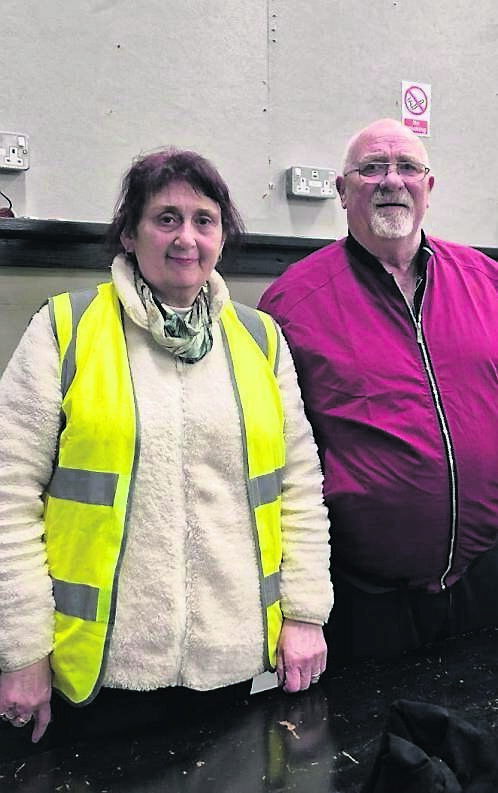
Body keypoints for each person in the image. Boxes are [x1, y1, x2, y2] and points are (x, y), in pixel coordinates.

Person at [0, 148, 332, 749]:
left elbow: (299, 490)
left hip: (231, 665)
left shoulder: (260, 341)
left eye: (204, 220)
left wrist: (306, 615)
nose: (187, 238)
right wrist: (20, 651)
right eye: (166, 218)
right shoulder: (65, 329)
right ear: (129, 233)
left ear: (223, 236)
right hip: (98, 673)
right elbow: (7, 497)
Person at [259, 118, 498, 665]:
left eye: (408, 168)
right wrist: (297, 607)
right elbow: (280, 466)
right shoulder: (293, 305)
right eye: (371, 169)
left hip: (485, 578)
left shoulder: (486, 281)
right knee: (370, 747)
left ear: (428, 188)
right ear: (343, 192)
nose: (392, 181)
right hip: (364, 600)